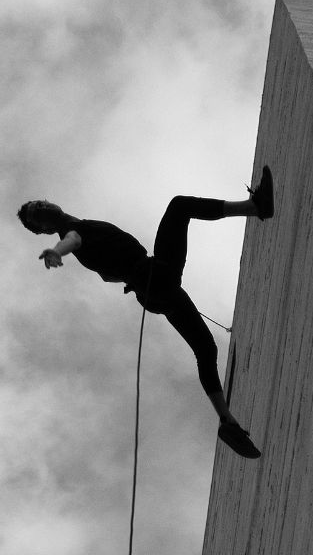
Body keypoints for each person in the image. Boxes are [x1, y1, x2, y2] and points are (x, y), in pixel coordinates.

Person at [17, 168, 274, 458]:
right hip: (155, 276)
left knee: (205, 348)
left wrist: (132, 280)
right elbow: (73, 241)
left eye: (39, 204)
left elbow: (105, 277)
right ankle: (255, 207)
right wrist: (56, 251)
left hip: (152, 285)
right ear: (44, 230)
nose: (42, 207)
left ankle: (227, 421)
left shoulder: (81, 230)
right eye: (37, 215)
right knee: (180, 206)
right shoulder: (73, 233)